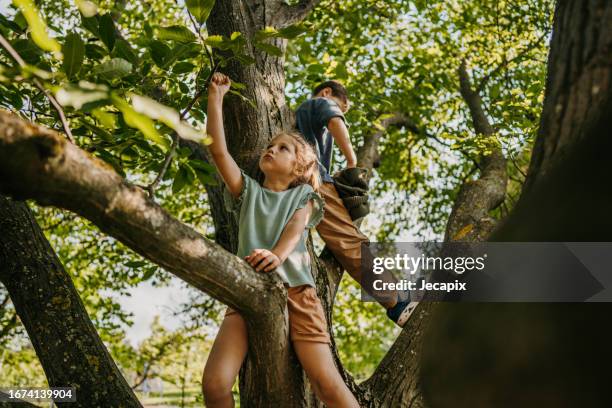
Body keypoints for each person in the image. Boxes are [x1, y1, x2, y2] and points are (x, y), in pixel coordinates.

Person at [201, 72, 359, 408]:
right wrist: (215, 98)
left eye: (282, 148)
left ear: (301, 166)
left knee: (326, 384)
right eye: (270, 146)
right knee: (214, 383)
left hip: (299, 294)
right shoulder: (248, 193)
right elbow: (218, 151)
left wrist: (276, 255)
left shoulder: (304, 194)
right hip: (246, 291)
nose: (271, 149)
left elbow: (296, 228)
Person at [295, 80, 417, 326]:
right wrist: (351, 161)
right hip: (313, 180)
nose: (340, 112)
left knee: (342, 242)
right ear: (327, 93)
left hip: (295, 185)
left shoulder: (300, 119)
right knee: (351, 243)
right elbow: (335, 120)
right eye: (341, 106)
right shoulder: (319, 102)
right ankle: (398, 303)